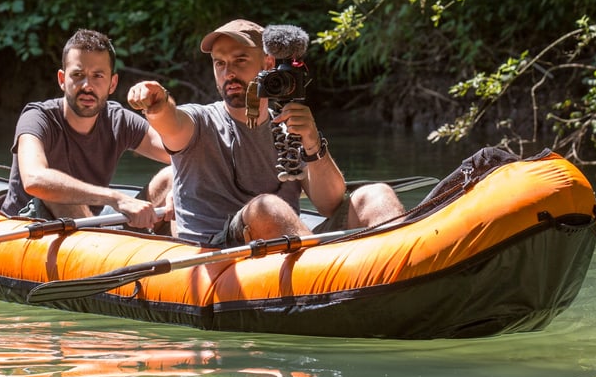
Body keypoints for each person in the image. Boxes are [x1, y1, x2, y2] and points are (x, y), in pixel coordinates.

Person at [127, 19, 404, 245]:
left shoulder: (287, 125)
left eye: (240, 60)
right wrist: (156, 101)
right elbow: (170, 122)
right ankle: (325, 276)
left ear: (268, 64)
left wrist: (312, 141)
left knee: (377, 194)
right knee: (266, 208)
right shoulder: (199, 121)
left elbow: (329, 204)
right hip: (222, 250)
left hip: (288, 248)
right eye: (220, 63)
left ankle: (403, 272)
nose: (229, 73)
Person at [0, 28, 171, 229]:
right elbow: (34, 179)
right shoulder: (37, 118)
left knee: (174, 177)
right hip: (30, 227)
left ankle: (192, 253)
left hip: (91, 229)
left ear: (112, 83)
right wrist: (115, 198)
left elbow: (176, 151)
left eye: (97, 76)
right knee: (55, 193)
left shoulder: (118, 120)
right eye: (78, 75)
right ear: (62, 80)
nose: (87, 86)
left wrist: (161, 106)